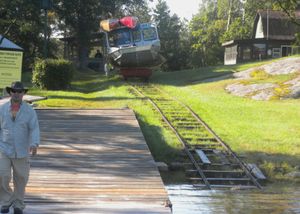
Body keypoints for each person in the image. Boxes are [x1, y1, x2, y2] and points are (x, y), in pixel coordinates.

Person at [0, 81, 40, 214]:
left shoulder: (29, 111)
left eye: (19, 91)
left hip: (22, 150)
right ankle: (6, 201)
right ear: (10, 92)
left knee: (21, 179)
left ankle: (18, 204)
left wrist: (34, 143)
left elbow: (34, 128)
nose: (17, 94)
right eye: (14, 91)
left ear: (23, 93)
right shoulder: (2, 109)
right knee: (2, 175)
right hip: (4, 149)